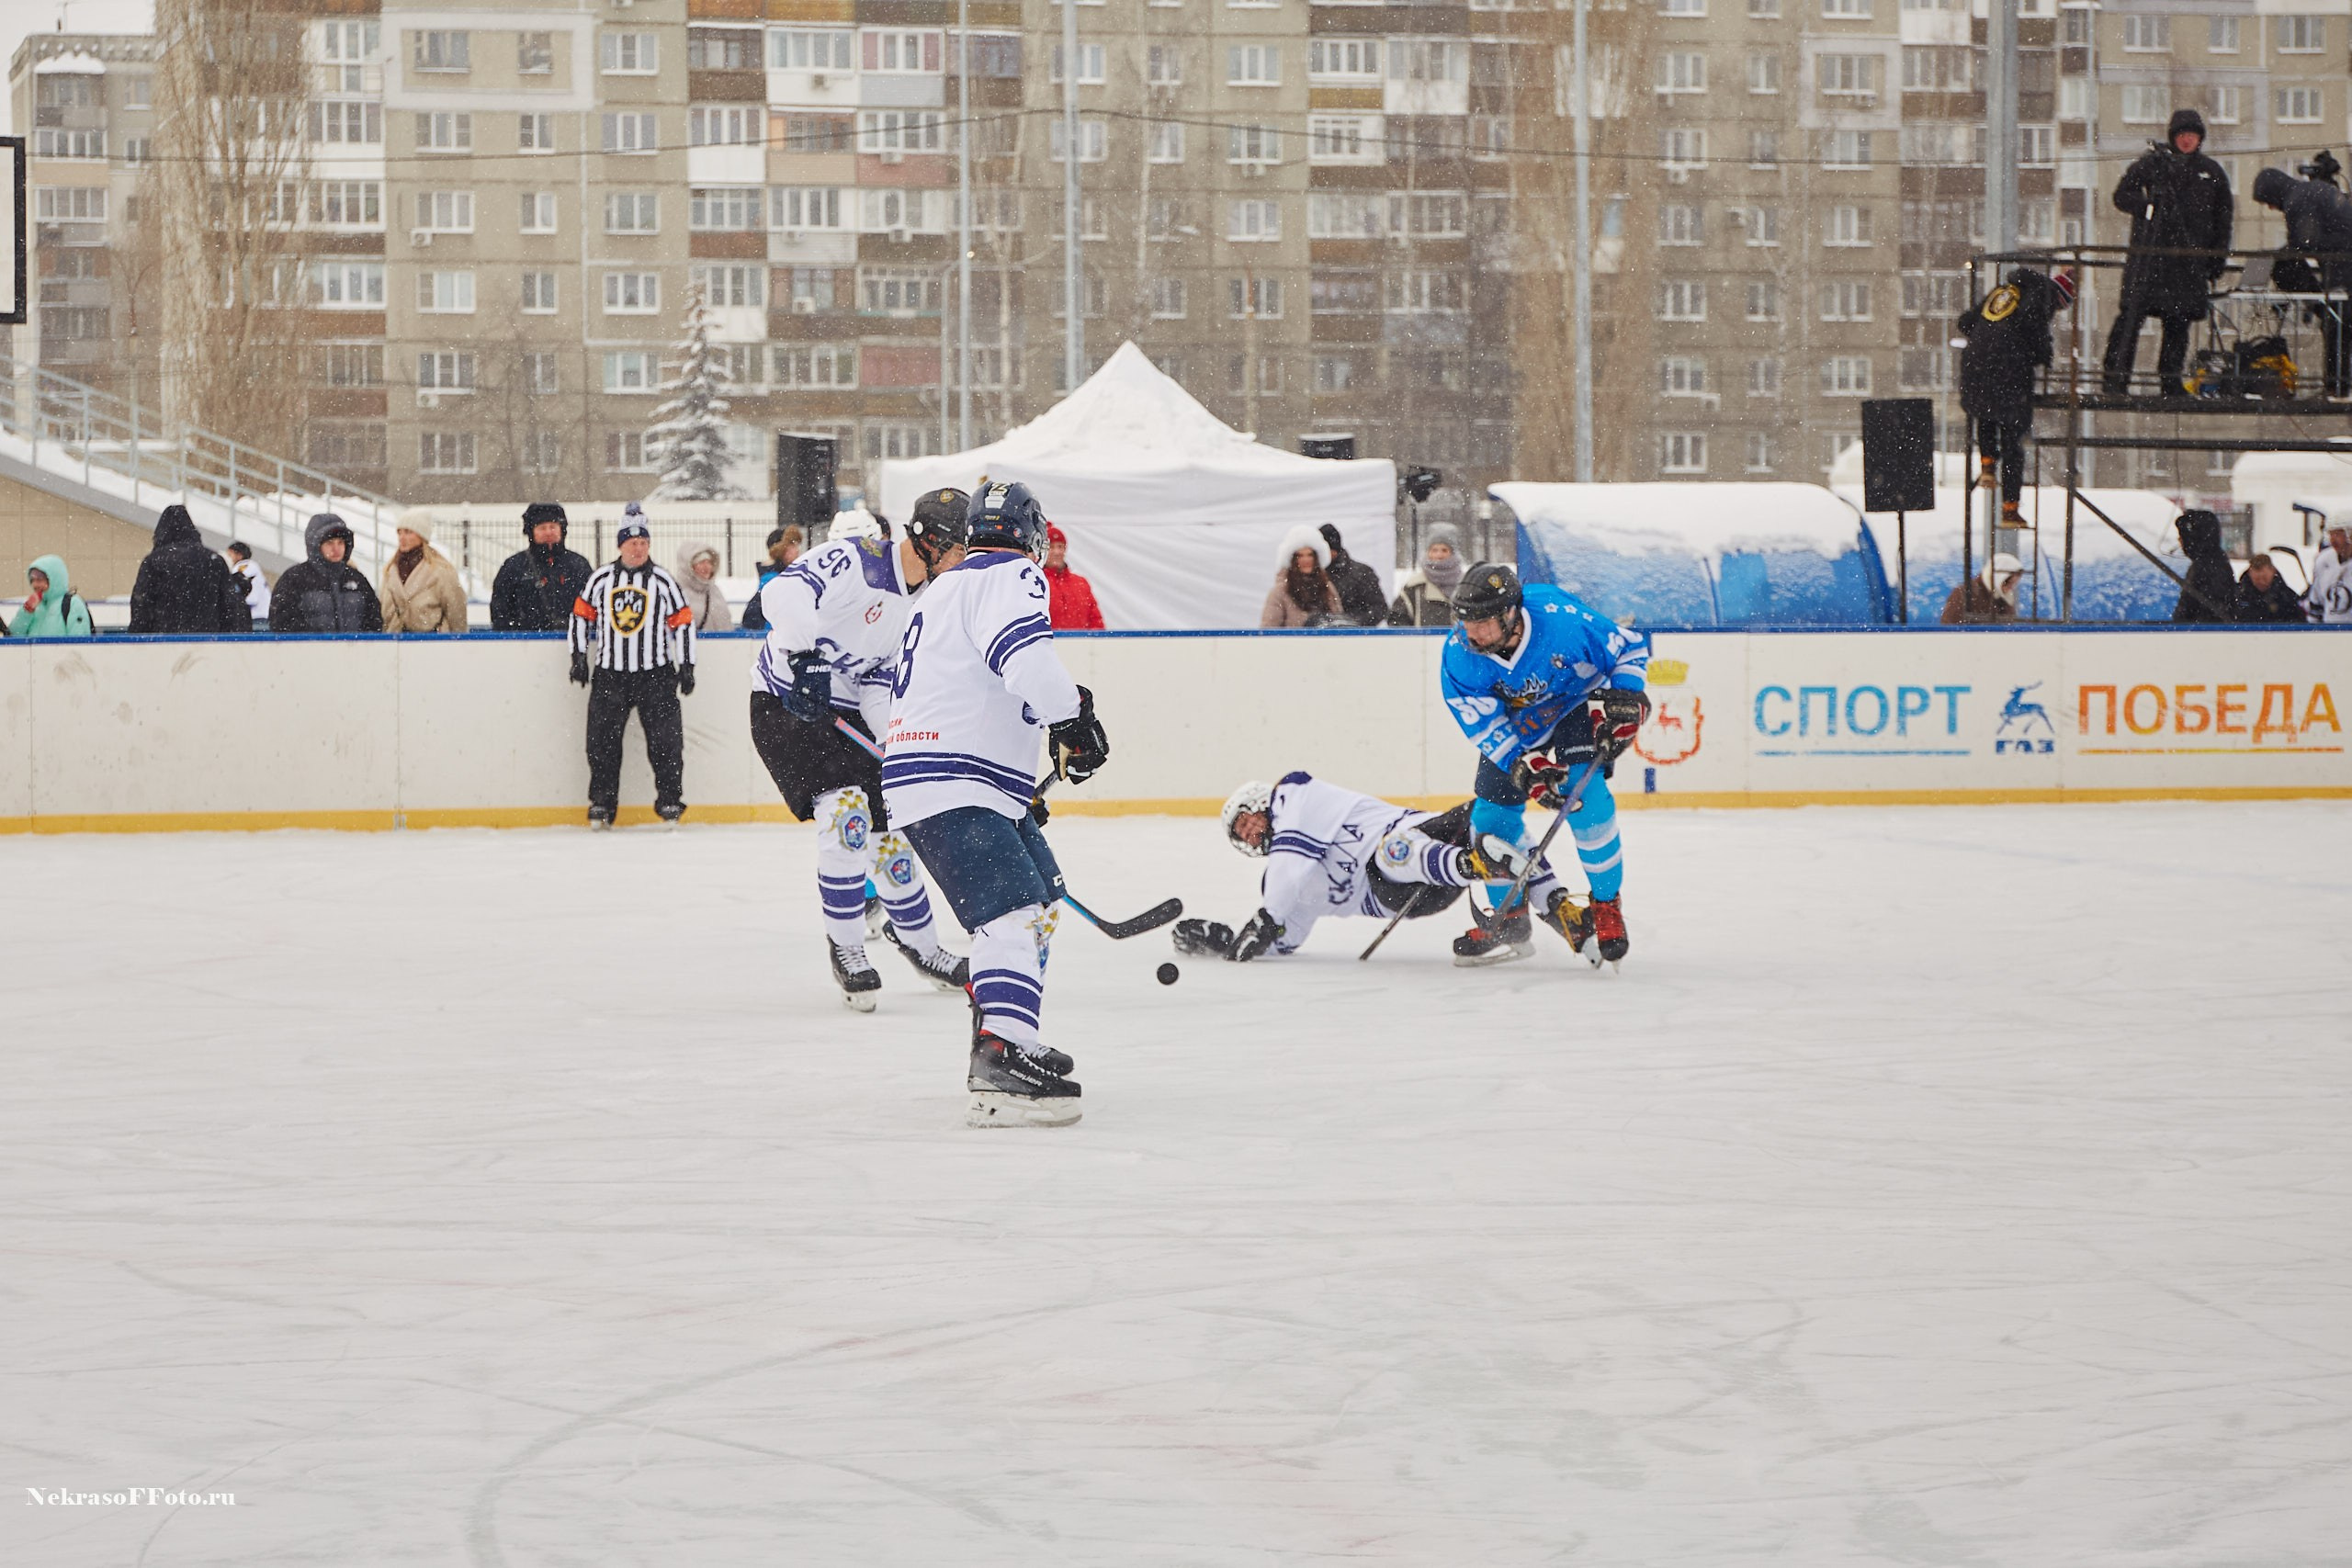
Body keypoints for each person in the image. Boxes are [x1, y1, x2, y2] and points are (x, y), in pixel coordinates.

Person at [881, 479, 1111, 1129]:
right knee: (1011, 910)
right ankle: (1000, 1054)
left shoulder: (944, 587)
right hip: (955, 778)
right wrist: (1072, 719)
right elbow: (1025, 660)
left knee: (1034, 901)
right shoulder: (1014, 574)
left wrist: (1014, 787)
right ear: (1031, 535)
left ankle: (1006, 1033)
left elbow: (978, 679)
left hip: (942, 776)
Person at [750, 487, 972, 1008]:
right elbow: (780, 595)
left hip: (844, 712)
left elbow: (878, 678)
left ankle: (923, 946)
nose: (967, 563)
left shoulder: (923, 601)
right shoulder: (857, 558)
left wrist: (894, 740)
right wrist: (805, 660)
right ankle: (847, 948)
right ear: (932, 542)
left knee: (888, 829)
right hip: (784, 704)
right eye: (963, 549)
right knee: (847, 814)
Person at [1440, 563, 1650, 966]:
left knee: (1584, 797)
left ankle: (1606, 904)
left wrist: (1627, 694)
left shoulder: (1562, 621)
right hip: (1520, 727)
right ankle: (1510, 920)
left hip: (1574, 706)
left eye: (1482, 621)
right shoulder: (1459, 656)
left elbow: (1629, 646)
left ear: (1510, 614)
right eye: (1465, 620)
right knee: (1489, 819)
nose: (1471, 632)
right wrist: (1522, 763)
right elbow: (1483, 724)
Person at [1171, 774, 1577, 962]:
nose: (1252, 831)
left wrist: (1264, 917)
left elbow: (1284, 882)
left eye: (1248, 819)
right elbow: (1282, 937)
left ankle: (1554, 906)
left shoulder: (1295, 794)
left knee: (1489, 820)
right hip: (1405, 895)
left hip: (1425, 836)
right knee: (1389, 858)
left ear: (1264, 801)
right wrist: (1228, 939)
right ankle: (1473, 866)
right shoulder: (1281, 881)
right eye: (1243, 834)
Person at [570, 504, 695, 828]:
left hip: (656, 675)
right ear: (620, 544)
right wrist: (578, 657)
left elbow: (683, 622)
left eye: (643, 543)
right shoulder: (600, 578)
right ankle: (602, 802)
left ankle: (670, 801)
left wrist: (687, 665)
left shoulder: (664, 581)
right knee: (601, 743)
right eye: (631, 542)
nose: (637, 548)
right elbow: (581, 617)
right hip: (611, 675)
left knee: (667, 743)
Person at [2102, 109, 2233, 399]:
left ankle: (2170, 382)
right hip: (2150, 259)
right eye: (2182, 135)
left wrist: (2216, 260)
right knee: (2131, 319)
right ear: (2173, 137)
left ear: (2200, 138)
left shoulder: (2211, 173)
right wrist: (2148, 207)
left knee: (2178, 324)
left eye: (2192, 135)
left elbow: (2223, 221)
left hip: (2188, 264)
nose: (2187, 140)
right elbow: (2122, 195)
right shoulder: (2153, 165)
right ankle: (2115, 380)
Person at [1957, 269, 2077, 525]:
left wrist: (1987, 340)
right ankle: (2010, 509)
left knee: (1985, 414)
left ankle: (1988, 466)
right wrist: (2043, 355)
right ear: (2060, 298)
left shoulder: (2004, 291)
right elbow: (2036, 333)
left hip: (1975, 364)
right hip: (2009, 371)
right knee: (2013, 440)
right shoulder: (2043, 297)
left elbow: (1966, 322)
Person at [2251, 165, 2352, 397]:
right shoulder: (2307, 191)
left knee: (2336, 325)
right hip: (2341, 262)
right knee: (2339, 325)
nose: (2270, 207)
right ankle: (2337, 385)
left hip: (2343, 264)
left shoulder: (2297, 198)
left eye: (2268, 201)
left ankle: (2337, 388)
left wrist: (2272, 259)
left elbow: (2304, 241)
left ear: (2274, 192)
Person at [128, 503, 250, 634]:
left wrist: (137, 638)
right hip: (207, 642)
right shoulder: (214, 561)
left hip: (163, 642)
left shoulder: (154, 561)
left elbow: (141, 607)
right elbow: (231, 605)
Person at [269, 513, 382, 634]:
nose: (336, 549)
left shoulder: (357, 579)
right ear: (316, 545)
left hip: (354, 651)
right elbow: (281, 624)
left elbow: (374, 621)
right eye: (330, 543)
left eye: (340, 543)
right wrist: (314, 642)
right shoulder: (295, 578)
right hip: (310, 651)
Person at [489, 502, 592, 632]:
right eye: (542, 528)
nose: (548, 532)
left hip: (571, 643)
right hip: (524, 645)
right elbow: (500, 613)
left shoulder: (579, 565)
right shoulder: (514, 567)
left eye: (553, 527)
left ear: (562, 530)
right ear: (531, 532)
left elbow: (592, 607)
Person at [378, 518, 469, 634]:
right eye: (399, 532)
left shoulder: (442, 572)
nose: (402, 537)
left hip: (432, 643)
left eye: (408, 532)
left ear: (422, 535)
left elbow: (456, 613)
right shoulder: (390, 571)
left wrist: (456, 641)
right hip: (395, 644)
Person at [1261, 525, 1342, 627]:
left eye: (1310, 555)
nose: (1306, 560)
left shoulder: (1327, 588)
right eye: (1300, 556)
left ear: (1316, 558)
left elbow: (1338, 622)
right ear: (1293, 560)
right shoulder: (1280, 592)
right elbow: (1269, 630)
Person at [1387, 525, 1466, 627]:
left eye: (1444, 550)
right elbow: (1397, 620)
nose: (1439, 555)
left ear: (1453, 553)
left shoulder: (1466, 585)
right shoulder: (1414, 587)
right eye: (1434, 550)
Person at [2171, 509, 2237, 623]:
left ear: (2193, 538)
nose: (2179, 541)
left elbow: (2210, 610)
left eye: (2183, 536)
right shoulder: (2208, 563)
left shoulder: (2209, 567)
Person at [6, 555, 95, 638]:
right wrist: (26, 613)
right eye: (32, 579)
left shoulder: (72, 604)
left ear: (55, 579)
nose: (35, 584)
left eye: (40, 579)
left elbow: (80, 644)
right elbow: (13, 640)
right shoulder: (34, 607)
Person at [736, 525, 804, 634]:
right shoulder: (774, 579)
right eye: (792, 545)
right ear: (781, 549)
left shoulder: (786, 576)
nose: (797, 550)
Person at [1317, 523, 1387, 626]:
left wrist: (1351, 623)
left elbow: (1379, 609)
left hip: (1357, 637)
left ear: (1334, 551)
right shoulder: (1312, 575)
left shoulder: (1362, 573)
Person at [1041, 523, 1104, 630]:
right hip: (1049, 644)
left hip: (1080, 644)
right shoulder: (1038, 582)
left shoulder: (1080, 583)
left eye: (1060, 546)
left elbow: (1095, 620)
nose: (1056, 552)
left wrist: (1096, 641)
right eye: (1051, 547)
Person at [1939, 551, 2025, 625]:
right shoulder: (1964, 594)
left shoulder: (2004, 598)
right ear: (1998, 577)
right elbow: (1950, 627)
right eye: (2007, 583)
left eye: (2014, 584)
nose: (2010, 588)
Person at [674, 540, 735, 633]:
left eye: (709, 562)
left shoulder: (714, 591)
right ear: (689, 567)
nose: (706, 567)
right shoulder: (678, 593)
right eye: (701, 562)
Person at [2232, 552, 2306, 624]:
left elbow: (2299, 623)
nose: (2261, 582)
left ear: (2273, 572)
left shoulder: (2286, 597)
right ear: (2250, 574)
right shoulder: (2238, 596)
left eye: (2265, 578)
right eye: (2257, 579)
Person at [2308, 523, 2352, 622]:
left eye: (2338, 534)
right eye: (2330, 534)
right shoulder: (2323, 560)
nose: (2332, 540)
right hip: (2330, 632)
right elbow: (2316, 603)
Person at [225, 541, 271, 627]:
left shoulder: (243, 566)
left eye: (229, 555)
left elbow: (243, 592)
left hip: (256, 617)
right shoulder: (252, 566)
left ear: (239, 555)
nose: (228, 558)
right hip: (261, 616)